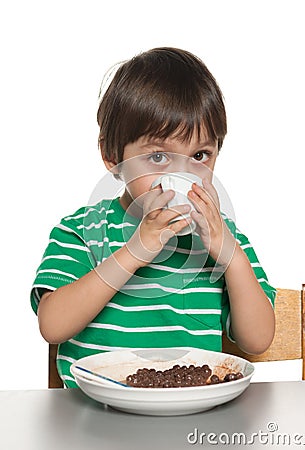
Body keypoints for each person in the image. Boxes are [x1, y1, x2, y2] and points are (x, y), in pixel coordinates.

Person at [31, 47, 276, 388]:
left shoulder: (224, 237)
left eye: (200, 155)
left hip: (192, 413)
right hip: (96, 419)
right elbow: (53, 326)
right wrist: (135, 251)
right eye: (158, 156)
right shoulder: (83, 233)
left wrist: (230, 255)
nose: (181, 175)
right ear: (112, 155)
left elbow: (258, 340)